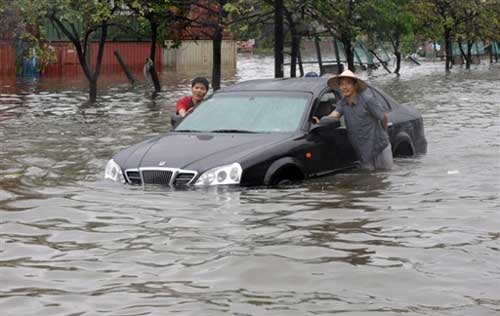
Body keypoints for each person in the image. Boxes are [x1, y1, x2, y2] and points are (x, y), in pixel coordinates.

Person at [325, 70, 393, 170]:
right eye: (342, 84)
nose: (345, 87)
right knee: (369, 181)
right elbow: (334, 116)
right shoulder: (342, 103)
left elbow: (384, 117)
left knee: (385, 176)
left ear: (355, 85)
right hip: (363, 150)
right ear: (339, 87)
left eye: (348, 83)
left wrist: (384, 134)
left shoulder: (367, 100)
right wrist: (319, 121)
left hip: (379, 147)